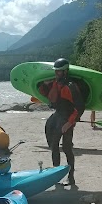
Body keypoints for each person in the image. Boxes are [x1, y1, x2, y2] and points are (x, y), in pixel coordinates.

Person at [38, 58, 84, 186]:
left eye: (59, 72)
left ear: (65, 72)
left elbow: (79, 108)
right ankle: (56, 174)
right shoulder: (55, 83)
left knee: (67, 148)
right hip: (58, 115)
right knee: (53, 145)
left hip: (68, 117)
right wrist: (45, 84)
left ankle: (71, 176)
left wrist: (69, 123)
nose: (56, 74)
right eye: (56, 71)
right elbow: (44, 94)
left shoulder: (71, 86)